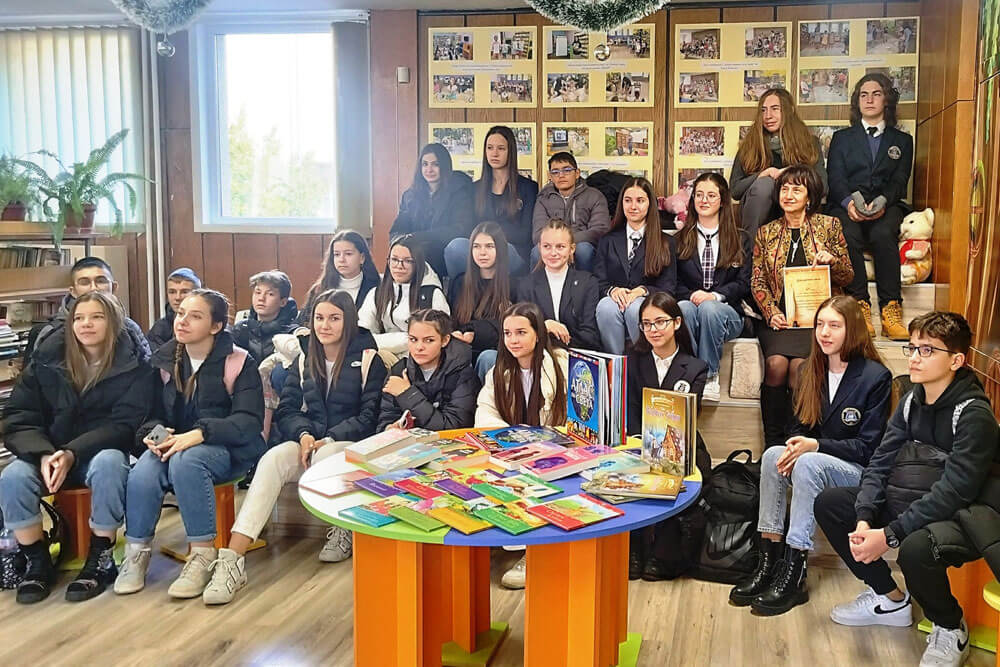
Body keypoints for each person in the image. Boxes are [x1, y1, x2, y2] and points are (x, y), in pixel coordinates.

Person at [814, 312, 1000, 667]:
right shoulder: (912, 399)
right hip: (915, 496)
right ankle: (890, 599)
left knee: (915, 548)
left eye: (927, 350)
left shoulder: (974, 414)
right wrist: (865, 517)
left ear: (956, 360)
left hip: (966, 514)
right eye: (912, 347)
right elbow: (881, 461)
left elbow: (955, 492)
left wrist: (890, 535)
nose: (914, 357)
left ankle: (950, 627)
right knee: (832, 504)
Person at [201, 290, 388, 605]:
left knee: (328, 455)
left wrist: (328, 438)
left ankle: (343, 529)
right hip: (309, 441)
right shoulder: (303, 358)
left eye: (334, 318)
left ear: (349, 321)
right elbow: (287, 410)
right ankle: (232, 559)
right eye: (319, 318)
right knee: (273, 459)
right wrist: (303, 434)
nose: (324, 325)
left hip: (348, 444)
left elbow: (369, 417)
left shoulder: (369, 359)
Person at [729, 296, 892, 616]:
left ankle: (795, 569)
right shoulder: (809, 370)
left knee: (808, 462)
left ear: (853, 329)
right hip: (815, 461)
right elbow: (798, 427)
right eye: (820, 324)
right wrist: (795, 444)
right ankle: (768, 561)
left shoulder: (875, 376)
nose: (824, 332)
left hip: (856, 469)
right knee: (773, 455)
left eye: (834, 325)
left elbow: (868, 448)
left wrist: (815, 446)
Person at [0, 292, 152, 604]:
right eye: (79, 318)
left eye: (96, 317)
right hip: (48, 453)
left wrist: (72, 452)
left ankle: (100, 557)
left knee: (110, 464)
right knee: (13, 476)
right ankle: (37, 561)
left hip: (97, 453)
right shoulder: (45, 359)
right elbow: (18, 416)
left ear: (113, 323)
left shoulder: (133, 364)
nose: (86, 324)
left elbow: (125, 425)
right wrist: (43, 453)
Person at [114, 289, 266, 599]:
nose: (182, 321)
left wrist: (201, 433)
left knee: (188, 461)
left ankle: (202, 555)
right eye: (180, 313)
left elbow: (249, 421)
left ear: (216, 326)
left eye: (195, 316)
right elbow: (147, 414)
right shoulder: (161, 361)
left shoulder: (239, 361)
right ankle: (136, 553)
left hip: (227, 449)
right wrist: (154, 436)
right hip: (177, 444)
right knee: (144, 468)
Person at [751, 165, 854, 448]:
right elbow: (757, 281)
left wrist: (833, 261)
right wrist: (771, 312)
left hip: (816, 320)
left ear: (810, 196)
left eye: (797, 189)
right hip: (779, 319)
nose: (789, 194)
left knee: (799, 368)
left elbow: (848, 276)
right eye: (784, 188)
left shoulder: (829, 226)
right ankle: (772, 444)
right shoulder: (766, 232)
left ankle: (796, 441)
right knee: (775, 365)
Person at [476, 302, 569, 590]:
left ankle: (536, 553)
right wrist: (511, 438)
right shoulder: (499, 370)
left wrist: (543, 442)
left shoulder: (561, 365)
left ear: (538, 334)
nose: (513, 340)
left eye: (521, 332)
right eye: (507, 333)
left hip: (555, 454)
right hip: (513, 452)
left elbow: (576, 420)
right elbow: (485, 411)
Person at [625, 291, 710, 581]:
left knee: (680, 470)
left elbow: (688, 417)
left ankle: (664, 554)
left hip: (680, 443)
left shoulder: (695, 367)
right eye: (646, 324)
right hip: (639, 439)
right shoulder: (633, 359)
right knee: (630, 466)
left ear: (676, 322)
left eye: (660, 322)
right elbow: (631, 408)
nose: (653, 330)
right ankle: (634, 549)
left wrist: (661, 449)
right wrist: (639, 443)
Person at [827, 73, 913, 340]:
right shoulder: (841, 138)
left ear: (886, 99)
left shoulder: (903, 141)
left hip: (886, 205)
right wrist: (849, 203)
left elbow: (900, 180)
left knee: (883, 234)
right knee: (848, 233)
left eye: (876, 94)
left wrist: (883, 201)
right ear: (857, 101)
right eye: (864, 95)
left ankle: (890, 309)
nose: (869, 99)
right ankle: (859, 306)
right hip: (847, 205)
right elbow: (835, 177)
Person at [674, 173, 751, 402]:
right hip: (692, 307)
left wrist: (715, 296)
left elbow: (744, 283)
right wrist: (693, 296)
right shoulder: (679, 239)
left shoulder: (741, 239)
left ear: (723, 200)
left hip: (728, 313)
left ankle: (709, 376)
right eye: (699, 195)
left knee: (709, 308)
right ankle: (688, 373)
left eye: (711, 195)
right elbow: (673, 283)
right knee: (683, 309)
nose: (704, 200)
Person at [594, 177, 676, 355]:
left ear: (650, 204)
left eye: (640, 201)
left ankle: (644, 362)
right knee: (606, 307)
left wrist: (642, 291)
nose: (633, 206)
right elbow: (598, 280)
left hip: (646, 300)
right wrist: (612, 291)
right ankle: (616, 365)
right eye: (628, 200)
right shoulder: (608, 240)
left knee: (636, 308)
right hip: (615, 300)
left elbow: (669, 286)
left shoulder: (666, 242)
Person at [731, 88, 828, 238]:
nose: (768, 116)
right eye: (763, 110)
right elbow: (735, 190)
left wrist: (793, 174)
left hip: (798, 214)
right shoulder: (749, 145)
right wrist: (763, 175)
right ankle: (751, 251)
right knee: (765, 185)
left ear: (789, 111)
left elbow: (823, 187)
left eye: (775, 109)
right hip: (759, 219)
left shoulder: (809, 143)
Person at [444, 126, 537, 276]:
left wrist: (490, 237)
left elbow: (525, 234)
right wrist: (485, 243)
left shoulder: (529, 187)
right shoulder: (473, 189)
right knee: (455, 247)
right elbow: (468, 227)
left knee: (504, 250)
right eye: (490, 148)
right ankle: (463, 290)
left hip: (513, 251)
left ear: (510, 152)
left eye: (501, 148)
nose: (494, 153)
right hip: (480, 249)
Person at [24, 256, 150, 362]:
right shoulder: (51, 332)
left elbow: (147, 370)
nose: (93, 288)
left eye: (101, 281)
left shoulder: (130, 328)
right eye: (84, 282)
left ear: (114, 287)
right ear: (73, 291)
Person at [377, 309, 478, 432]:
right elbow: (385, 419)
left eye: (429, 340)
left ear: (445, 340)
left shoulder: (462, 374)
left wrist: (408, 394)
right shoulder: (399, 371)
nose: (419, 347)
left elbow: (452, 427)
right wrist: (389, 428)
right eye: (413, 339)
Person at [358, 235, 449, 363]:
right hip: (381, 356)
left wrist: (388, 341)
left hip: (421, 360)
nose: (399, 266)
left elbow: (439, 338)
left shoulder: (432, 294)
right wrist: (407, 339)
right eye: (394, 259)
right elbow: (363, 336)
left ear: (418, 263)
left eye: (407, 261)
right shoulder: (376, 293)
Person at [514, 218, 601, 351]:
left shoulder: (588, 282)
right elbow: (521, 331)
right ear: (539, 248)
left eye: (560, 247)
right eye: (547, 246)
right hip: (538, 355)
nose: (553, 253)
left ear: (572, 249)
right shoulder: (526, 285)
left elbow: (590, 335)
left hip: (576, 355)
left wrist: (550, 334)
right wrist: (545, 326)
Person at [391, 143, 475, 277]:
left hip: (444, 252)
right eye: (425, 164)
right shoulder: (410, 196)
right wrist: (399, 242)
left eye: (435, 164)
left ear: (444, 166)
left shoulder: (459, 192)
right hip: (414, 251)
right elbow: (397, 229)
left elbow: (460, 229)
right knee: (398, 255)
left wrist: (419, 237)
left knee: (424, 253)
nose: (429, 169)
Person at [449, 222, 513, 381]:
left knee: (487, 358)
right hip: (462, 351)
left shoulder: (514, 285)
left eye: (489, 246)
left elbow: (507, 329)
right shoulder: (459, 283)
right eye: (476, 247)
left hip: (494, 353)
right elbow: (451, 321)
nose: (482, 252)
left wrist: (473, 333)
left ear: (500, 249)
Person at [530, 151, 610, 271]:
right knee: (537, 251)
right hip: (553, 244)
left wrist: (568, 242)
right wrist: (559, 245)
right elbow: (538, 234)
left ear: (577, 173)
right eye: (555, 172)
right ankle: (538, 284)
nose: (561, 175)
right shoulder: (544, 198)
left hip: (581, 243)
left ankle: (586, 283)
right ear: (550, 176)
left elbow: (600, 230)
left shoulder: (594, 196)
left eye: (566, 170)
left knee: (584, 250)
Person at [299, 231, 380, 323]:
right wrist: (301, 329)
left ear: (362, 258)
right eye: (337, 254)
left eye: (348, 254)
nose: (341, 260)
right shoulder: (320, 289)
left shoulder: (378, 289)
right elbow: (299, 323)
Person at [232, 270, 299, 363]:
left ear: (283, 302)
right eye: (258, 292)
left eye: (270, 294)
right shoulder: (241, 329)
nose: (261, 298)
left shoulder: (292, 333)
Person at [147, 267, 202, 351]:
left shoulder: (209, 323)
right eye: (172, 292)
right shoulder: (160, 329)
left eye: (184, 292)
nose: (177, 297)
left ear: (197, 294)